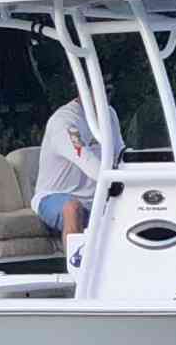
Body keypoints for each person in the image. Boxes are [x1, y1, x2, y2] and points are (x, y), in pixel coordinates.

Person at [32, 91, 122, 237]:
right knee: (73, 208)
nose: (104, 95)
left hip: (97, 200)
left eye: (108, 90)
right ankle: (75, 260)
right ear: (82, 89)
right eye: (100, 88)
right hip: (55, 197)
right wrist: (120, 181)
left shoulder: (109, 114)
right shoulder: (65, 121)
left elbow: (120, 154)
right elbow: (87, 161)